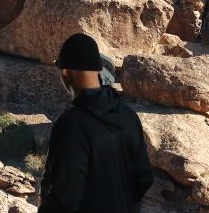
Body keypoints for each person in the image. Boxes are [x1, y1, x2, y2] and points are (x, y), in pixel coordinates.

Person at [39, 33, 154, 213]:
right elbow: (145, 178)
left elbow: (65, 200)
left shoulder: (71, 125)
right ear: (98, 71)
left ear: (65, 73)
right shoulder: (129, 116)